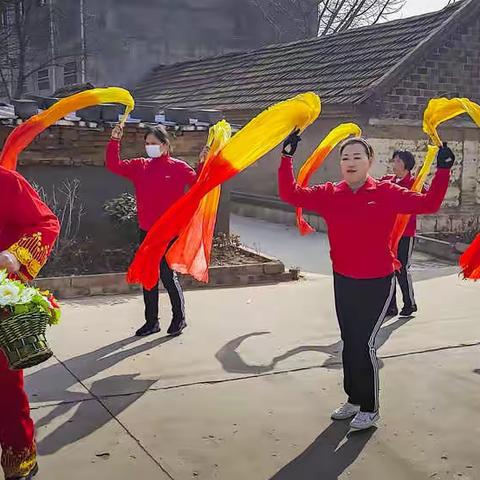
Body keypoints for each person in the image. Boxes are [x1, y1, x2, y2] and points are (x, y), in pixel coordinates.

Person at [278, 132, 454, 430]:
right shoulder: (330, 193)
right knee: (349, 343)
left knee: (364, 344)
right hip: (343, 279)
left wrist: (444, 170)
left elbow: (430, 204)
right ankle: (354, 399)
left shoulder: (386, 193)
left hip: (377, 281)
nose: (351, 162)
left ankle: (370, 407)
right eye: (345, 157)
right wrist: (286, 159)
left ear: (370, 161)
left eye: (358, 156)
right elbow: (291, 194)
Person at [106, 124, 204, 337]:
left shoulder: (178, 168)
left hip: (169, 233)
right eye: (147, 143)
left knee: (168, 277)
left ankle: (179, 319)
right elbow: (114, 165)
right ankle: (152, 322)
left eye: (154, 143)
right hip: (147, 231)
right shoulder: (140, 166)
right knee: (148, 276)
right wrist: (114, 141)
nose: (150, 147)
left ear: (165, 145)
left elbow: (200, 184)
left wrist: (204, 162)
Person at [0, 166, 60, 480]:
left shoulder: (6, 182)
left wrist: (16, 255)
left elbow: (46, 222)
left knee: (6, 389)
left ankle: (19, 460)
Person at [382, 150, 425, 317]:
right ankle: (390, 306)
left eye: (398, 161)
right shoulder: (388, 181)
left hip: (405, 233)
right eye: (394, 160)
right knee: (388, 269)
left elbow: (427, 199)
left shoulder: (415, 184)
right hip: (388, 233)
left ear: (406, 165)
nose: (394, 164)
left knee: (402, 269)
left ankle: (409, 303)